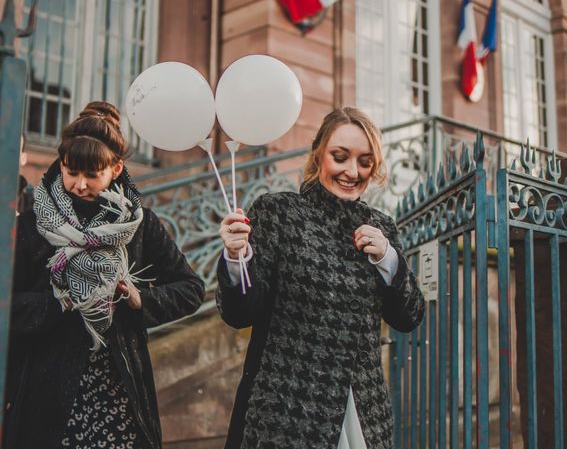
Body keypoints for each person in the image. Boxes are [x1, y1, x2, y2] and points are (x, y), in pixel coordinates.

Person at [217, 106, 425, 448]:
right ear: (318, 155)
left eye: (364, 161)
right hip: (287, 413)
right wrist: (237, 259)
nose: (352, 171)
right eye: (340, 157)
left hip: (363, 415)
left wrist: (389, 259)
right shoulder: (279, 212)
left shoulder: (382, 226)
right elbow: (239, 313)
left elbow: (410, 316)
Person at [3, 101, 205, 449]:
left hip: (120, 394)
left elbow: (191, 289)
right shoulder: (34, 222)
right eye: (70, 171)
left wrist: (141, 299)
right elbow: (7, 305)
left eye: (92, 175)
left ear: (116, 169)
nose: (79, 184)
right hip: (44, 394)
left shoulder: (140, 226)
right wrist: (60, 302)